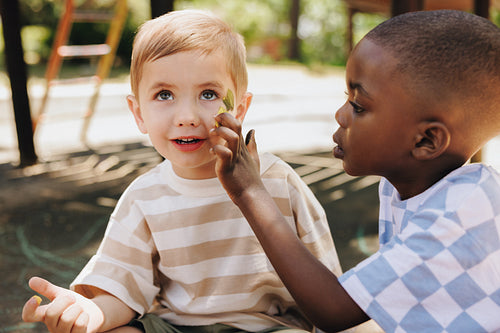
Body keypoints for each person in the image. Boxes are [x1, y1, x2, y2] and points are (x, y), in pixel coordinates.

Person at [21, 9, 342, 333]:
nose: (186, 115)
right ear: (139, 113)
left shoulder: (278, 181)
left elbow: (329, 288)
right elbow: (121, 292)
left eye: (208, 94)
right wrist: (89, 313)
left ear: (240, 108)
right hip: (175, 327)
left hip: (268, 326)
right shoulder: (144, 197)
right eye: (164, 95)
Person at [211, 9, 500, 333]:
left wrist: (250, 192)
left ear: (426, 139)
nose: (340, 114)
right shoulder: (408, 185)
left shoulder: (456, 217)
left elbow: (334, 309)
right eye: (345, 98)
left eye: (358, 106)